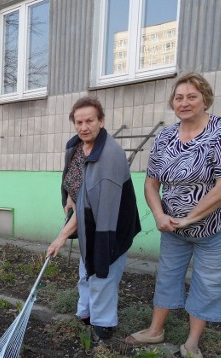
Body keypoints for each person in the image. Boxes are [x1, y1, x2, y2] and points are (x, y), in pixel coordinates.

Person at [125, 72, 221, 358]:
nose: (185, 102)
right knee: (168, 275)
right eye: (179, 97)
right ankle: (155, 330)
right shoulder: (165, 136)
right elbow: (151, 183)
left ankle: (192, 343)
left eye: (192, 96)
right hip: (174, 227)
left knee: (209, 281)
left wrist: (189, 218)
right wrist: (159, 215)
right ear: (173, 103)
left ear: (205, 99)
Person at [47, 97, 141, 341]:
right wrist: (69, 196)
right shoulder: (77, 146)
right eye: (79, 122)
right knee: (85, 272)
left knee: (103, 273)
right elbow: (75, 180)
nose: (83, 127)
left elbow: (93, 206)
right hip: (89, 223)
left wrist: (61, 237)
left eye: (89, 120)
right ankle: (85, 313)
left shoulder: (109, 156)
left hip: (111, 226)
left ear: (102, 121)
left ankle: (103, 325)